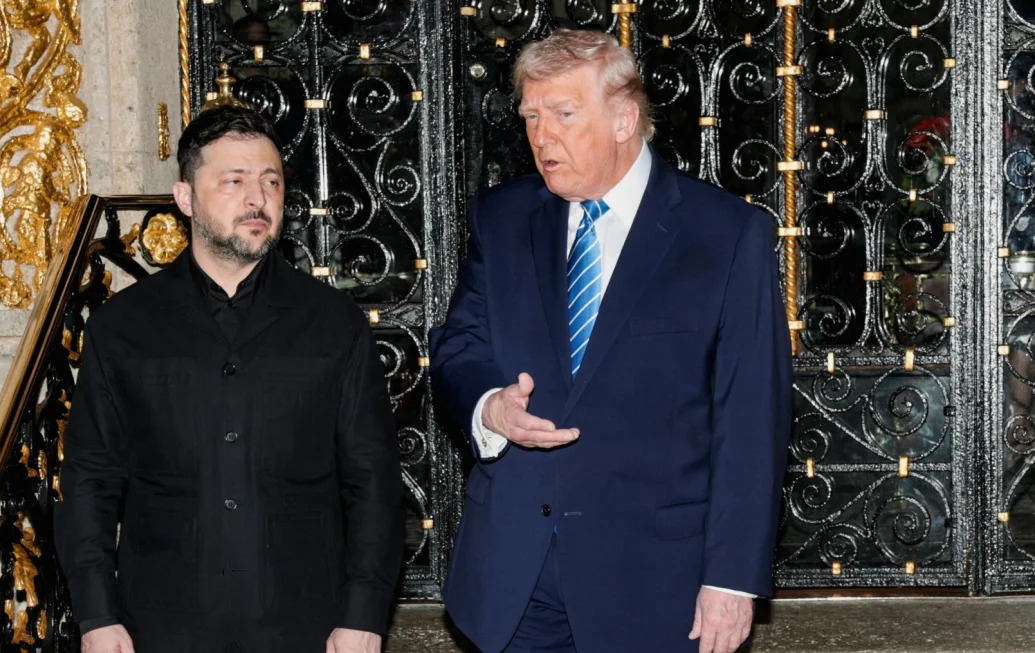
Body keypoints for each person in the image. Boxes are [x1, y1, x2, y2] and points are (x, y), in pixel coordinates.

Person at [430, 29, 792, 653]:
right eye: (531, 116)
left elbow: (751, 419)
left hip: (656, 585)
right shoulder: (503, 217)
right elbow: (458, 344)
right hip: (517, 580)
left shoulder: (727, 235)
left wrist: (732, 579)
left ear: (625, 119)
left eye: (564, 114)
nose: (541, 136)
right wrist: (490, 406)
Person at [54, 105, 403, 653]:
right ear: (186, 198)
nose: (257, 199)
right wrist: (97, 615)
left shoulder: (334, 322)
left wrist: (365, 613)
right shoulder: (123, 326)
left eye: (270, 181)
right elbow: (90, 480)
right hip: (160, 626)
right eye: (234, 181)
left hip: (307, 623)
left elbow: (373, 480)